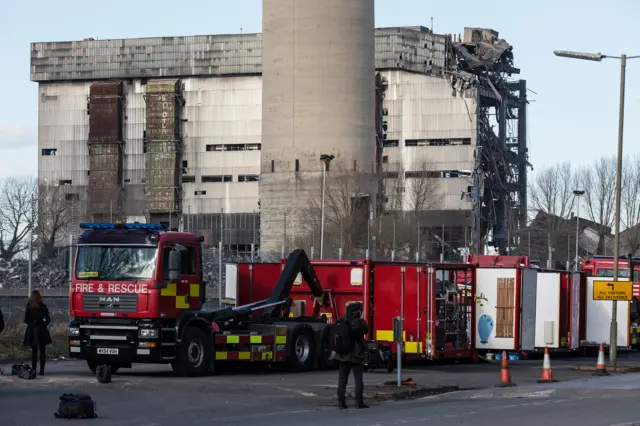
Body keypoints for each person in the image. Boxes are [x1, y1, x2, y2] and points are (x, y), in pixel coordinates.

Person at [334, 302, 370, 409]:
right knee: (358, 379)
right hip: (356, 355)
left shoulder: (342, 321)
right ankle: (359, 402)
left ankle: (341, 403)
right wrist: (361, 319)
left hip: (342, 355)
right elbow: (366, 329)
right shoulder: (359, 323)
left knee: (342, 380)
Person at [23, 290, 52, 376]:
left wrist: (32, 324)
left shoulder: (29, 307)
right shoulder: (43, 307)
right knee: (42, 351)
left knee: (34, 351)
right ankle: (42, 371)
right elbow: (48, 319)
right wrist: (43, 324)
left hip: (32, 330)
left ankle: (34, 369)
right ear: (39, 297)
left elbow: (26, 320)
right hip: (41, 330)